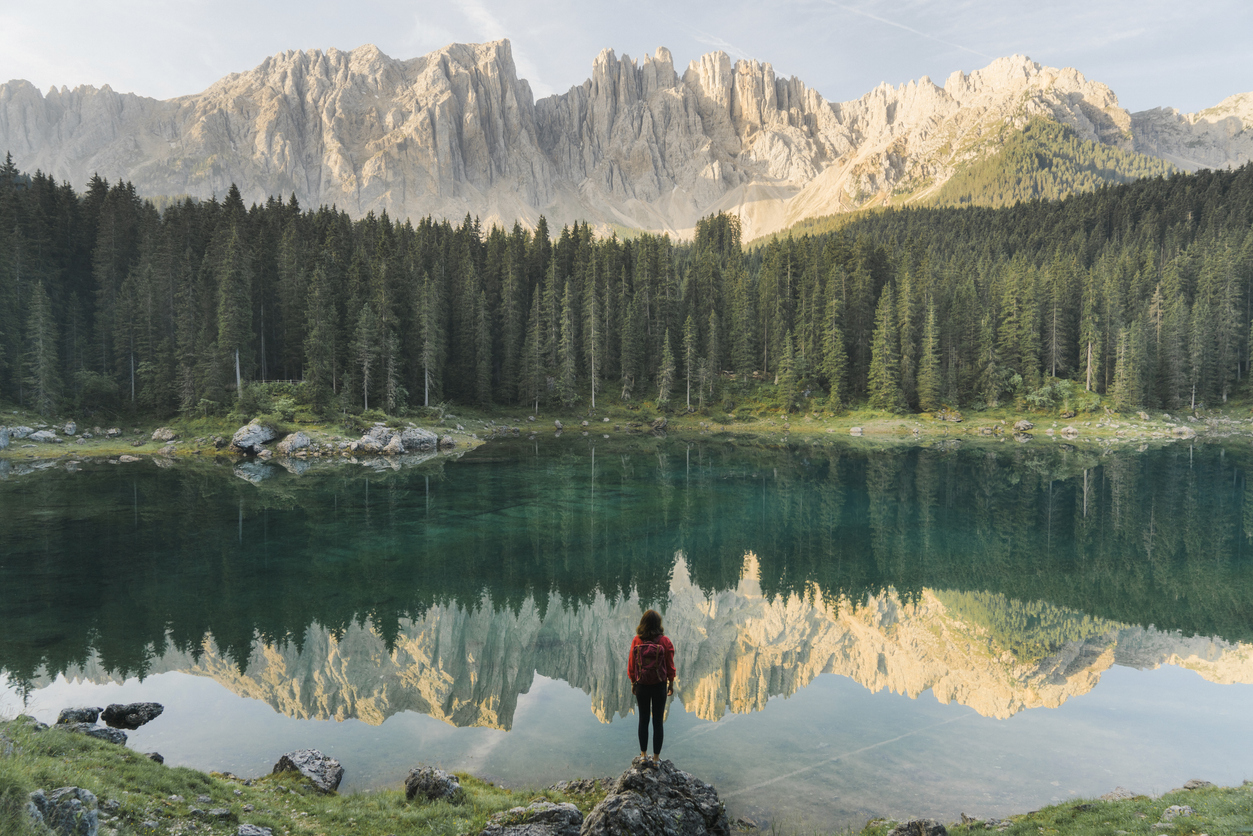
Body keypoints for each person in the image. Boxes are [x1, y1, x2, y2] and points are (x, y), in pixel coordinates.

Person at [628, 608, 676, 764]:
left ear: (643, 623)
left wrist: (633, 682)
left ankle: (643, 756)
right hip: (659, 685)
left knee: (643, 719)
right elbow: (670, 665)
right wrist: (671, 683)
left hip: (642, 684)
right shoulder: (665, 641)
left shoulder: (637, 640)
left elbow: (631, 665)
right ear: (658, 624)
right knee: (657, 722)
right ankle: (656, 759)